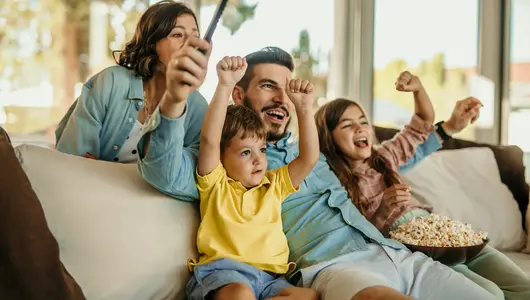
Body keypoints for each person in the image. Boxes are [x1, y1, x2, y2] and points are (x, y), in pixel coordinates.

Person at [138, 46, 500, 300]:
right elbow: (164, 170)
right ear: (238, 95)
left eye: (286, 88)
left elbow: (392, 151)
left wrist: (448, 125)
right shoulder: (233, 164)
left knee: (491, 295)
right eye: (268, 86)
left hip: (390, 251)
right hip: (333, 266)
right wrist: (173, 100)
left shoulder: (317, 154)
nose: (282, 97)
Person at [314, 72, 530, 300]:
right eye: (347, 125)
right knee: (491, 294)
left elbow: (422, 122)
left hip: (444, 232)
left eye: (364, 121)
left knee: (522, 288)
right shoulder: (333, 182)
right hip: (416, 248)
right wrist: (383, 211)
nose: (360, 128)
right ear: (328, 138)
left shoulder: (384, 157)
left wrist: (418, 89)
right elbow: (356, 242)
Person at [186, 56, 319, 300]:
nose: (258, 160)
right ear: (222, 157)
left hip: (271, 279)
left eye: (262, 150)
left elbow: (309, 158)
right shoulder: (215, 183)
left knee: (308, 296)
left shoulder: (274, 185)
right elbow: (209, 140)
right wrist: (224, 84)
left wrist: (304, 109)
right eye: (246, 152)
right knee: (240, 294)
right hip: (225, 275)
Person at [55, 0, 208, 163]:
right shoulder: (111, 83)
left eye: (195, 37)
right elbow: (72, 159)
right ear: (152, 42)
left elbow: (188, 178)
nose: (190, 44)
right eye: (177, 35)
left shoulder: (198, 108)